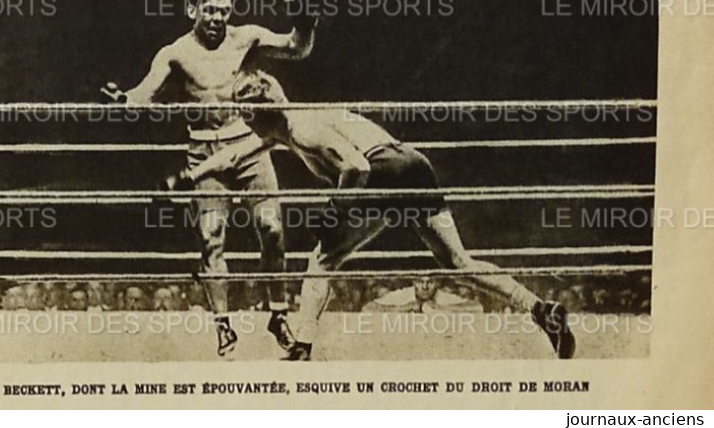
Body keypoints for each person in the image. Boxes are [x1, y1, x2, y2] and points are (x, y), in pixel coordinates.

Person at [175, 70, 575, 360]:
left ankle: (302, 345)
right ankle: (540, 309)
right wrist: (191, 175)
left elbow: (357, 167)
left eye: (244, 113)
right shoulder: (281, 126)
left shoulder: (302, 129)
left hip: (379, 170)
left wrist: (336, 210)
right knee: (457, 260)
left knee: (322, 260)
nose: (243, 121)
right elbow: (235, 154)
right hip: (413, 164)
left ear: (255, 112)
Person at [108, 0, 318, 357]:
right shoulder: (174, 53)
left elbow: (296, 49)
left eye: (224, 10)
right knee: (211, 237)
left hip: (249, 146)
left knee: (272, 230)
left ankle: (277, 315)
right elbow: (144, 95)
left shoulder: (247, 38)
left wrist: (305, 19)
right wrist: (122, 99)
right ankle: (223, 324)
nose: (218, 18)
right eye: (210, 10)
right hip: (205, 154)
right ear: (193, 9)